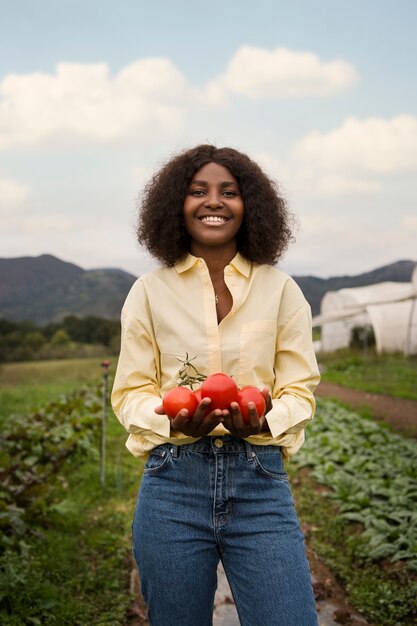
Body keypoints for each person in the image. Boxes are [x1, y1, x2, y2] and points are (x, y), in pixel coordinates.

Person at [111, 144, 320, 626]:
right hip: (172, 483)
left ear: (250, 206)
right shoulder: (149, 291)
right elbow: (130, 394)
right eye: (197, 191)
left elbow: (299, 390)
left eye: (229, 191)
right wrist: (171, 415)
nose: (214, 201)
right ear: (175, 206)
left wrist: (265, 419)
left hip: (260, 482)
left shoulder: (280, 289)